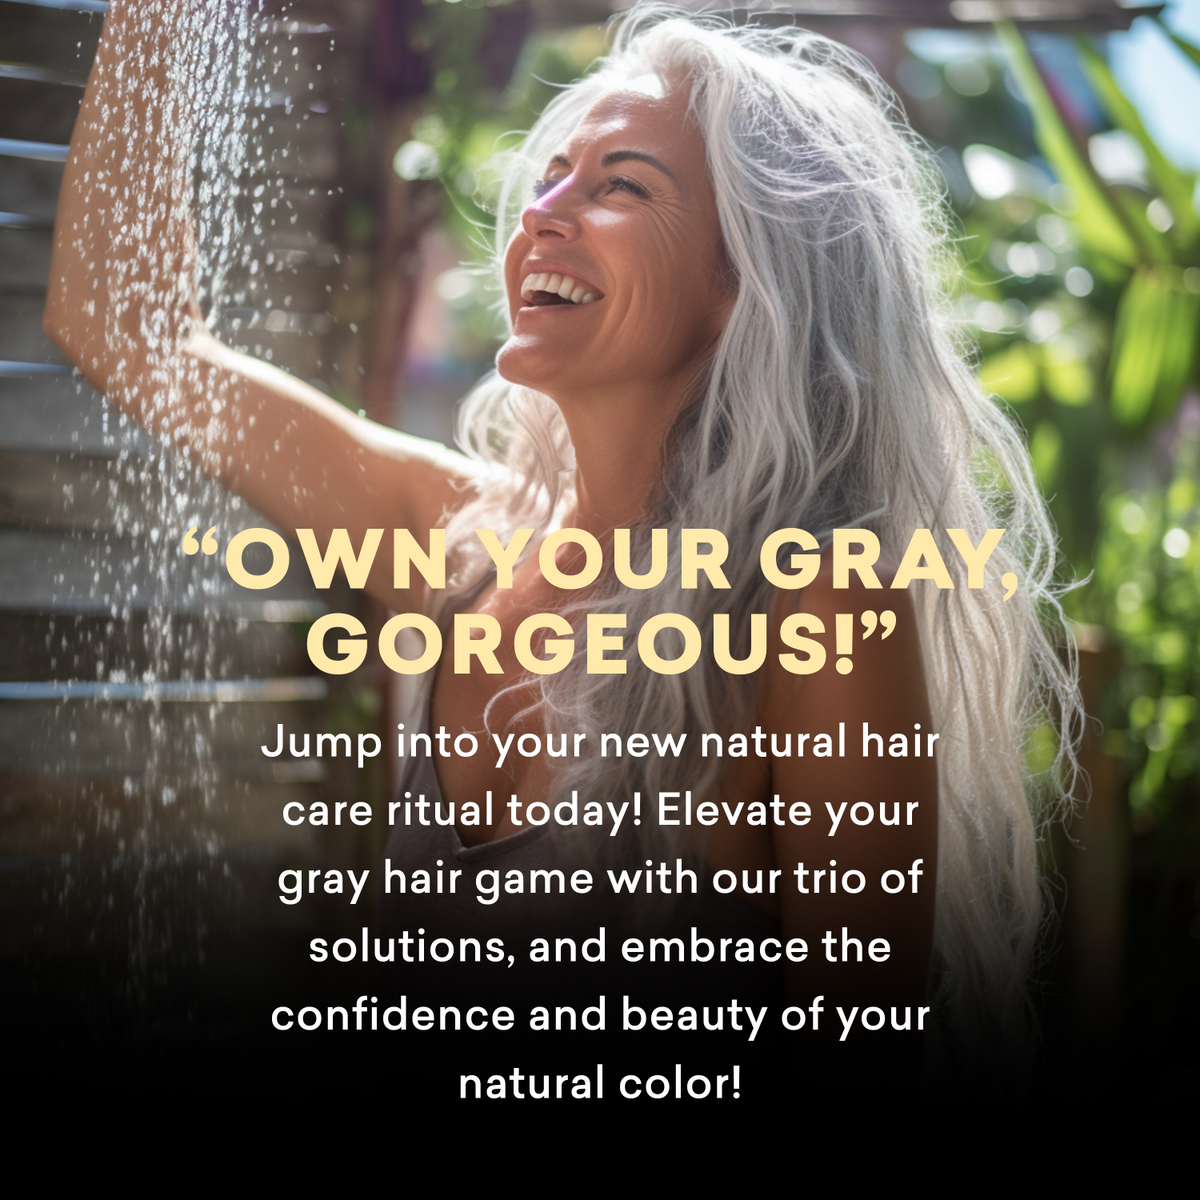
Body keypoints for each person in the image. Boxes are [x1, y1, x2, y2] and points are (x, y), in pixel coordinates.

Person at [44, 1, 1080, 1094]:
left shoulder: (816, 602)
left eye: (620, 184)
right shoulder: (455, 544)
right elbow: (130, 331)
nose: (543, 213)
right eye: (551, 174)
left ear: (746, 280)